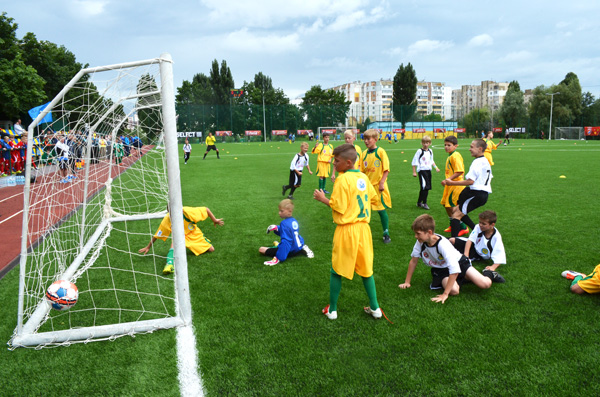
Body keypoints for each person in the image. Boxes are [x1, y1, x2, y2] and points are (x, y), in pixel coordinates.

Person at [314, 144, 382, 320]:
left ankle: (333, 310)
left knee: (336, 270)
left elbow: (339, 206)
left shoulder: (342, 180)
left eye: (336, 161)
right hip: (364, 230)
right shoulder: (364, 177)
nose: (334, 164)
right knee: (367, 270)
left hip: (346, 230)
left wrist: (323, 199)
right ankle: (375, 308)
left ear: (348, 162)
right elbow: (373, 199)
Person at [398, 214, 504, 304]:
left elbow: (454, 269)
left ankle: (489, 273)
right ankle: (464, 278)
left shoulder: (443, 244)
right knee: (454, 291)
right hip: (441, 270)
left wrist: (444, 294)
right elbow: (414, 261)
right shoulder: (420, 243)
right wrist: (407, 282)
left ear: (429, 232)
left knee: (485, 284)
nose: (416, 236)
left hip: (459, 263)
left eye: (418, 233)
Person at [139, 205, 224, 274]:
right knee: (174, 241)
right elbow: (157, 234)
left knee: (211, 249)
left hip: (193, 233)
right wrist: (148, 246)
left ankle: (192, 246)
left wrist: (215, 220)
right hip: (180, 236)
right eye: (171, 213)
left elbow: (206, 209)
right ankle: (169, 264)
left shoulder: (187, 212)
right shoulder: (168, 219)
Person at [442, 139, 492, 238]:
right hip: (479, 193)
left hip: (477, 193)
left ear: (480, 148)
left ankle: (454, 242)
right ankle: (477, 231)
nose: (469, 149)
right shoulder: (485, 160)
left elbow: (470, 181)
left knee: (456, 215)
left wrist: (452, 182)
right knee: (457, 209)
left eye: (472, 147)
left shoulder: (477, 162)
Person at [449, 210, 506, 275]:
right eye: (480, 222)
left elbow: (500, 253)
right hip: (474, 245)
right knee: (451, 240)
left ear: (492, 225)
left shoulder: (496, 237)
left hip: (477, 253)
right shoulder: (478, 227)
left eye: (484, 224)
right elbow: (470, 240)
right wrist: (466, 256)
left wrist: (493, 267)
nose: (480, 225)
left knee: (456, 257)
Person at [360, 129, 392, 243]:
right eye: (365, 139)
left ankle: (386, 233)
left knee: (381, 209)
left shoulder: (380, 152)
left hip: (378, 186)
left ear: (375, 139)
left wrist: (382, 182)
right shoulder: (363, 154)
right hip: (366, 187)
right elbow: (361, 171)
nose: (366, 141)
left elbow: (386, 169)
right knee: (363, 210)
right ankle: (361, 233)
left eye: (368, 139)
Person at [260, 199, 314, 266]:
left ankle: (281, 249)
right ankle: (302, 248)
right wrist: (276, 228)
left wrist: (279, 257)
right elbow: (290, 233)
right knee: (279, 244)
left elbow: (286, 241)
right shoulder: (293, 221)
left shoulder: (284, 223)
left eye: (281, 211)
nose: (279, 213)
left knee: (261, 249)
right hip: (298, 245)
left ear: (290, 211)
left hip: (291, 250)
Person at [440, 136, 469, 236]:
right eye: (445, 145)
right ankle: (453, 223)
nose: (446, 147)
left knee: (453, 207)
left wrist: (448, 179)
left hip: (455, 185)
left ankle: (463, 226)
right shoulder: (450, 155)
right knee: (445, 204)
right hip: (450, 184)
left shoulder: (455, 156)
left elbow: (459, 171)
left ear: (455, 146)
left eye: (449, 145)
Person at [412, 135, 440, 210]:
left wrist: (436, 168)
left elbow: (431, 161)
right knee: (425, 187)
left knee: (425, 188)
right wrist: (414, 172)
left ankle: (419, 202)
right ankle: (424, 203)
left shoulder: (430, 151)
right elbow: (414, 161)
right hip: (421, 171)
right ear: (421, 143)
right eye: (424, 143)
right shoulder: (419, 151)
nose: (425, 144)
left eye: (427, 143)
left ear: (430, 143)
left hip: (428, 170)